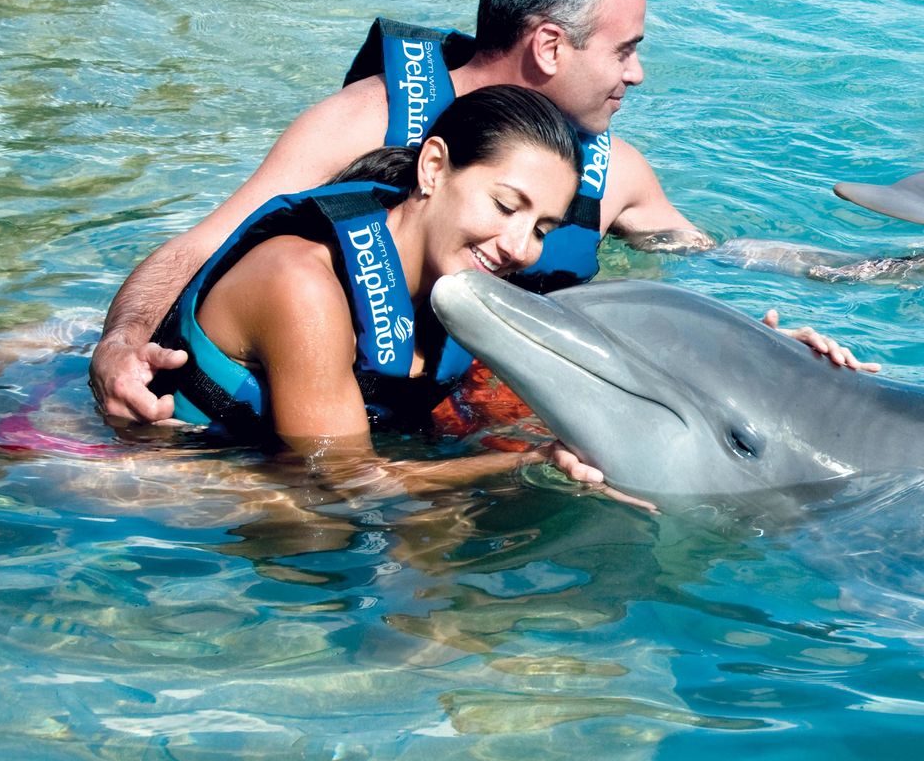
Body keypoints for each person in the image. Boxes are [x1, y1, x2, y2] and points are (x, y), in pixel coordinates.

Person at [92, 0, 866, 424]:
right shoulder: (369, 119)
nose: (636, 76)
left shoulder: (613, 172)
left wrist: (868, 289)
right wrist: (120, 341)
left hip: (425, 407)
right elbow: (209, 244)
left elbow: (713, 259)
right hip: (295, 398)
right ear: (552, 46)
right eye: (625, 51)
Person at [152, 85, 612, 493]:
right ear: (433, 168)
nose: (519, 249)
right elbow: (344, 481)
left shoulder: (451, 284)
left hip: (288, 475)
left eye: (542, 230)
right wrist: (531, 461)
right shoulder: (303, 284)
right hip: (169, 481)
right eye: (505, 205)